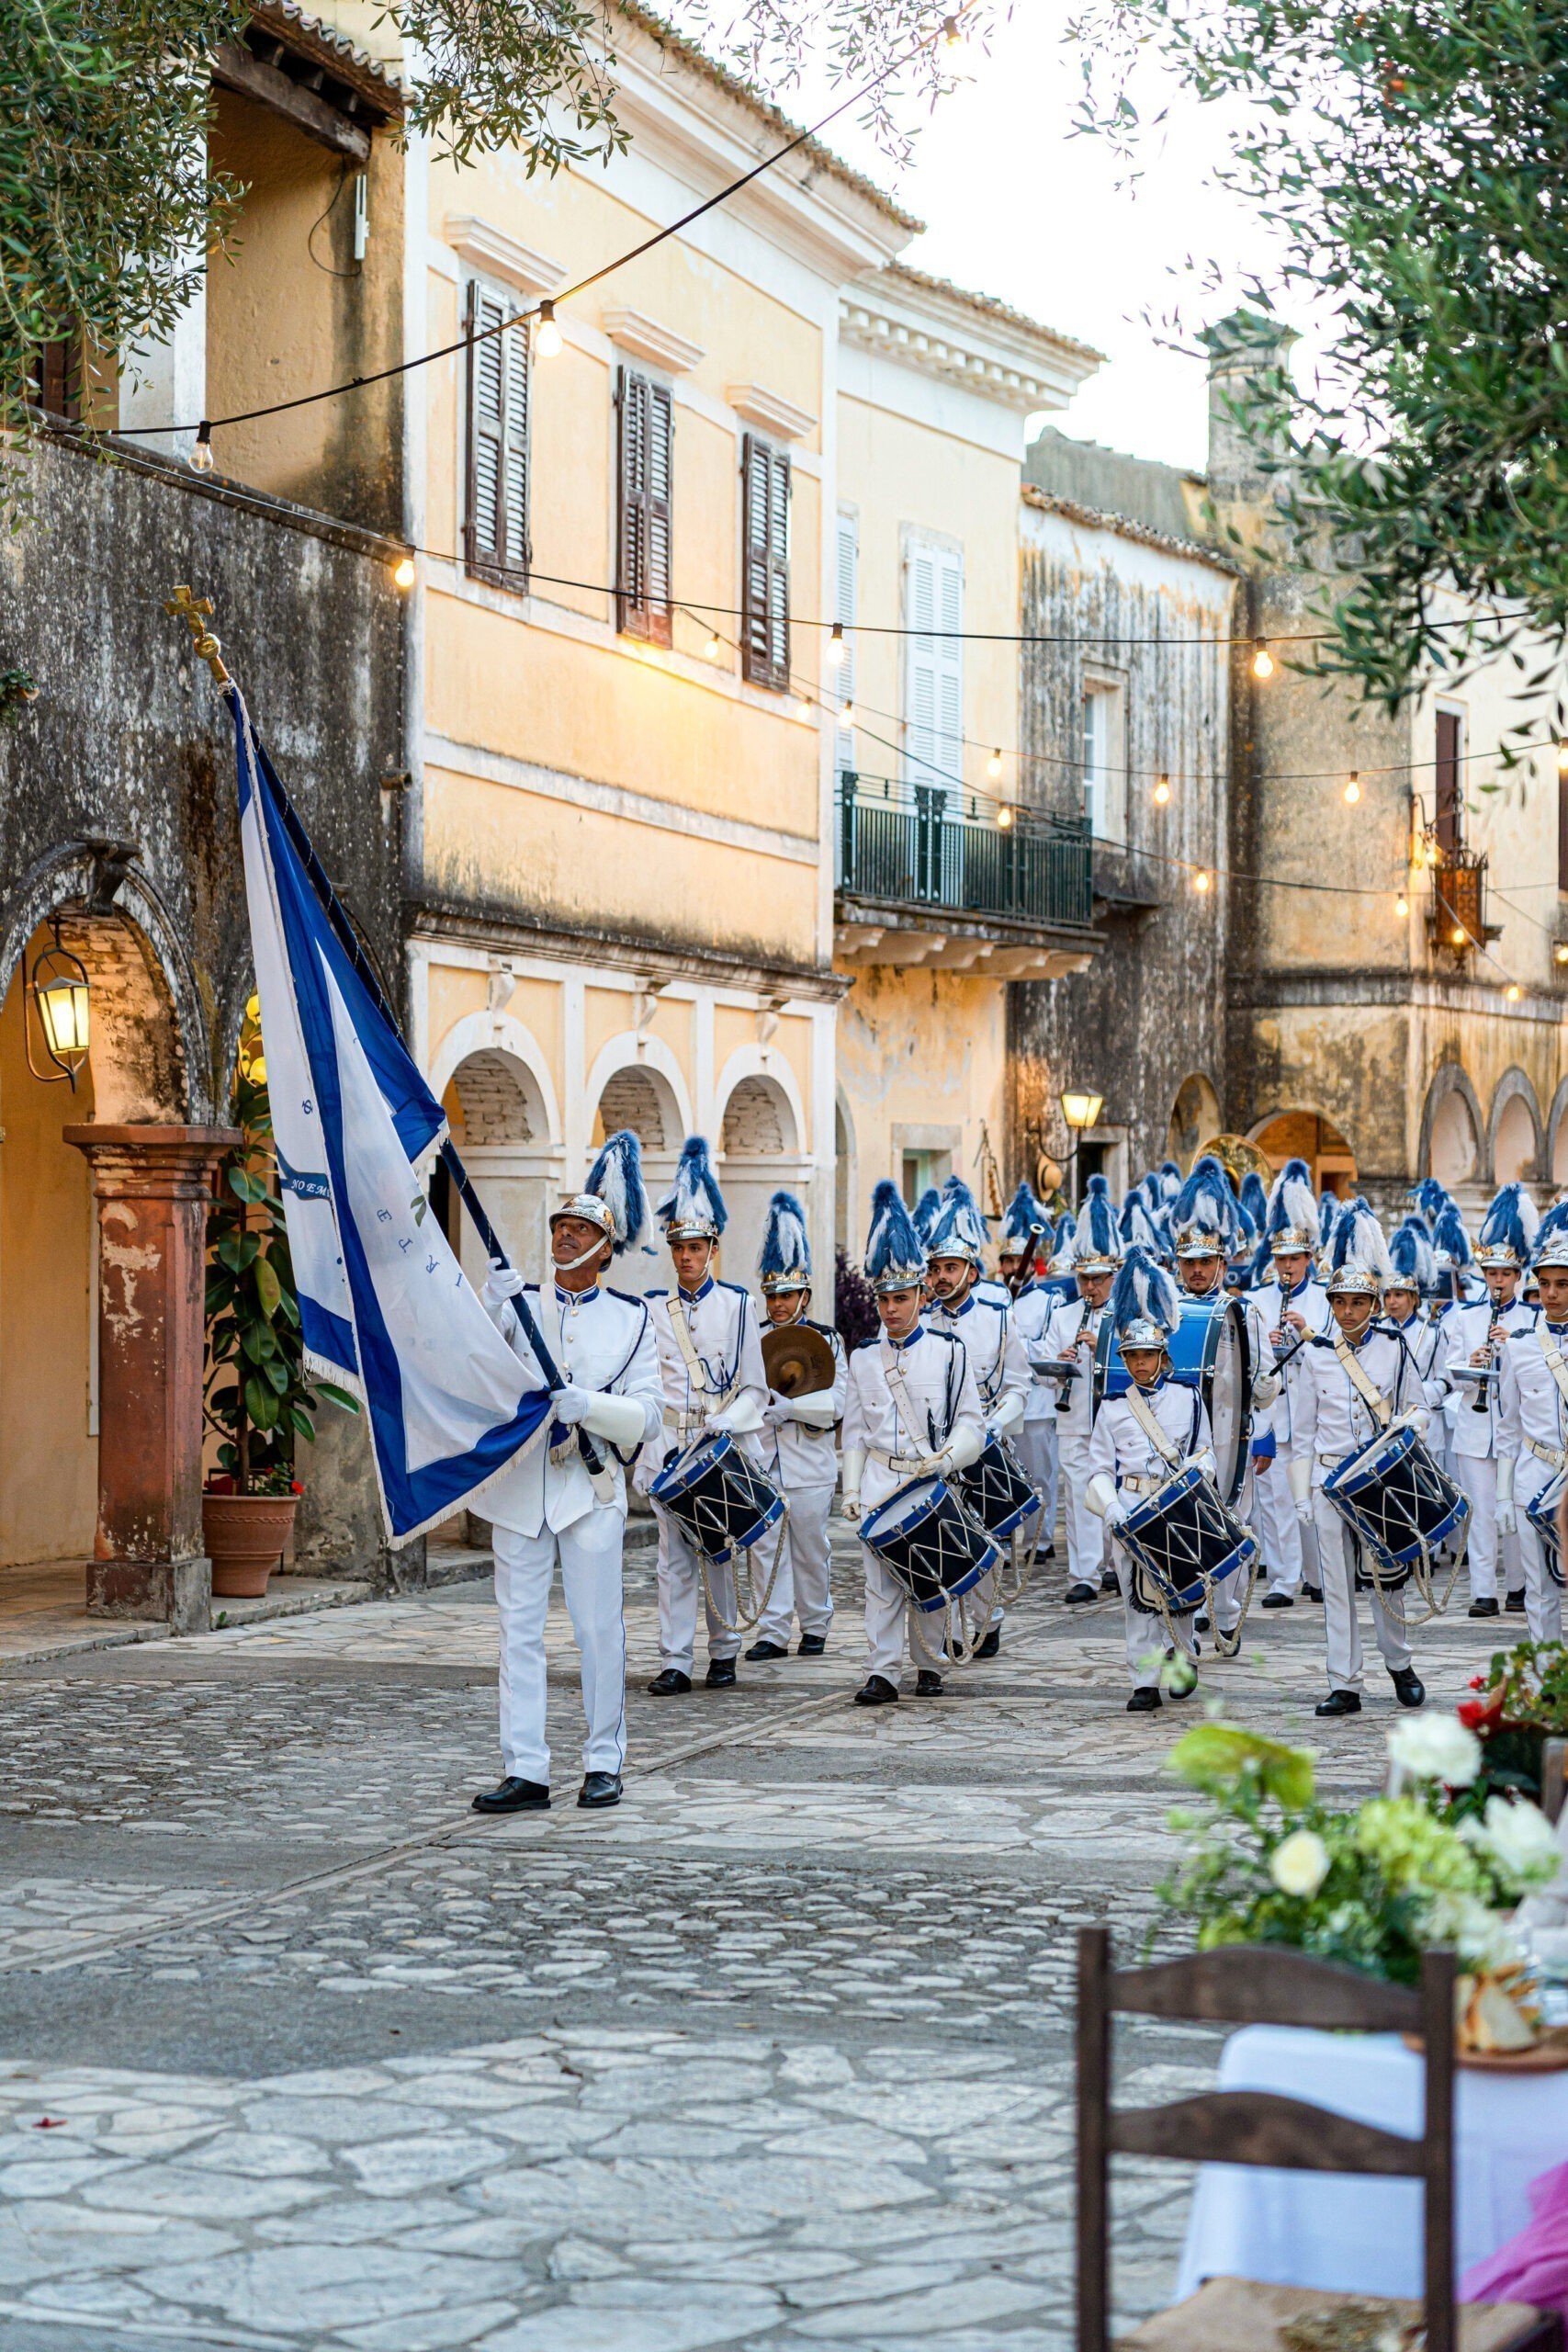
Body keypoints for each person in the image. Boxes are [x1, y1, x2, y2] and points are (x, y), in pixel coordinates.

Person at [472, 1130, 665, 1814]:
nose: (564, 1236)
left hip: (591, 1487)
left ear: (604, 1249)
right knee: (518, 1631)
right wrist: (491, 1307)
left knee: (597, 1630)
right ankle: (525, 1768)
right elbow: (480, 1371)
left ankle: (603, 1760)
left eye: (580, 1229)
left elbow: (649, 1416)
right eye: (560, 1226)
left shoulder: (633, 1320)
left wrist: (593, 1407)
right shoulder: (520, 1306)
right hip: (523, 1486)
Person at [841, 1182, 986, 1704]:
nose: (891, 1310)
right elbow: (855, 1430)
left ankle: (930, 1664)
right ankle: (881, 1672)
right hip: (880, 1480)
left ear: (923, 1297)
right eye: (883, 1300)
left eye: (901, 1299)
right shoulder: (862, 1357)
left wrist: (948, 1458)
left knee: (930, 1574)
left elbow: (972, 1422)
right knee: (879, 1585)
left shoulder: (950, 1351)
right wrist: (850, 1488)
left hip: (928, 1475)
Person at [1289, 1199, 1428, 1718]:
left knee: (1387, 1577)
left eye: (1358, 1302)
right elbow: (1302, 1431)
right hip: (1330, 1480)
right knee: (1336, 1584)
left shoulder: (1394, 1345)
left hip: (1379, 1481)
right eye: (1340, 1302)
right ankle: (1344, 1681)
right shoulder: (1316, 1353)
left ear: (1374, 1304)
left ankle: (1399, 1662)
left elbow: (1420, 1407)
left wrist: (1407, 1424)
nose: (1348, 1311)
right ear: (1331, 1303)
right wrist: (1302, 1494)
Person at [642, 1136, 769, 1697]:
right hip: (672, 1448)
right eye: (679, 1249)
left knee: (718, 1550)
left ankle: (723, 1652)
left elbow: (755, 1389)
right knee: (672, 1560)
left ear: (713, 1249)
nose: (686, 1257)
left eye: (696, 1248)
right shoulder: (652, 1308)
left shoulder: (739, 1305)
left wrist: (730, 1423)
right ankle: (675, 1660)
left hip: (719, 1447)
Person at [1085, 1246, 1217, 1713]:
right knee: (1135, 1596)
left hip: (1176, 1505)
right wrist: (1111, 1508)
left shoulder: (1189, 1396)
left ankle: (1183, 1655)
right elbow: (1099, 1467)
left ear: (1162, 1356)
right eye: (1132, 1356)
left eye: (1147, 1355)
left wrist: (1197, 1476)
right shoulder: (1112, 1407)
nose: (1139, 1363)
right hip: (1131, 1506)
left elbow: (1205, 1452)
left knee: (1180, 1591)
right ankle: (1143, 1679)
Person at [1169, 1155, 1280, 1639]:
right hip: (1178, 1438)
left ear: (1222, 1263)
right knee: (1185, 1523)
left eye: (1205, 1262)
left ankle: (1228, 1611)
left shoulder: (1244, 1313)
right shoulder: (1167, 1310)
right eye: (1189, 1263)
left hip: (1229, 1435)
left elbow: (1264, 1382)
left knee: (1232, 1521)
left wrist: (1264, 1428)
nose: (1196, 1271)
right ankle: (1190, 1608)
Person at [924, 1178, 1031, 1657]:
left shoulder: (997, 1318)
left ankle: (988, 1620)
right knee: (941, 1538)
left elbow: (1018, 1387)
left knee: (988, 1539)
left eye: (951, 1268)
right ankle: (946, 1626)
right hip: (936, 1451)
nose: (942, 1277)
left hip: (986, 1447)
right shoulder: (921, 1324)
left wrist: (995, 1426)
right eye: (936, 1270)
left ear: (971, 1272)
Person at [744, 1190, 848, 1661]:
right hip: (764, 1459)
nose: (778, 1304)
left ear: (804, 1296)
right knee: (764, 1548)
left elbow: (839, 1400)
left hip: (810, 1460)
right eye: (771, 1296)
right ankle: (771, 1631)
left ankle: (816, 1624)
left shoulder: (828, 1340)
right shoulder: (752, 1339)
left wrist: (795, 1409)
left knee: (809, 1548)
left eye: (786, 1295)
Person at [1435, 1182, 1541, 1621]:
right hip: (1474, 1429)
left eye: (1505, 1274)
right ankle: (1483, 1592)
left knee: (1513, 1509)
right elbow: (1449, 1375)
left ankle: (1518, 1585)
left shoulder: (1532, 1318)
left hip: (1519, 1431)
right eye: (1492, 1273)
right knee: (1479, 1513)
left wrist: (1512, 1344)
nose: (1498, 1280)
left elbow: (1539, 1372)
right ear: (1484, 1274)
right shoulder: (1465, 1317)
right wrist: (1472, 1362)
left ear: (1518, 1276)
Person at [1247, 1158, 1333, 1607]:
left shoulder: (1325, 1300)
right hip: (1274, 1410)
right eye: (1280, 1259)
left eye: (1294, 1259)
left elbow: (1337, 1353)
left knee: (1314, 1498)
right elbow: (1248, 1360)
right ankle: (1283, 1580)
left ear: (1308, 1260)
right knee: (1276, 1498)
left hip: (1315, 1412)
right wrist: (1267, 1344)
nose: (1287, 1266)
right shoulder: (1257, 1300)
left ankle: (1319, 1577)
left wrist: (1306, 1333)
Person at [1043, 1175, 1123, 1604]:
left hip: (1114, 1417)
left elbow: (1143, 1363)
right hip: (1074, 1417)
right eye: (1083, 1279)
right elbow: (1042, 1371)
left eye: (1098, 1279)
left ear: (1113, 1276)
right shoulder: (1063, 1315)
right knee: (1078, 1497)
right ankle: (1084, 1575)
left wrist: (1103, 1345)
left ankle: (1116, 1566)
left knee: (1116, 1490)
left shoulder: (1125, 1315)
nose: (1089, 1287)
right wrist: (1060, 1365)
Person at [1496, 1217, 1566, 1645]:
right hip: (1534, 1474)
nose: (1552, 1293)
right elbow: (1508, 1426)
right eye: (1545, 1284)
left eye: (1562, 1284)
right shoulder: (1519, 1345)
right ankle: (1547, 1673)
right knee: (1539, 1590)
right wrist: (1503, 1494)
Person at [998, 1181, 1060, 1566]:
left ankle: (1040, 1539)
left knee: (1039, 1476)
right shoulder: (995, 1300)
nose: (1011, 1268)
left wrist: (1015, 1338)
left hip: (1036, 1403)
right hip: (1001, 1402)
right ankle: (1003, 1540)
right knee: (1002, 1476)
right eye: (1007, 1261)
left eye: (1016, 1261)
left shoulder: (1048, 1301)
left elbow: (1045, 1353)